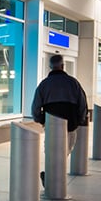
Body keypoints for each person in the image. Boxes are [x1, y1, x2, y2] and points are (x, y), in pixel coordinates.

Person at [32, 54, 89, 187]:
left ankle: (50, 175)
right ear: (63, 66)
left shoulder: (44, 84)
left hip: (51, 125)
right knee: (66, 150)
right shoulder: (73, 83)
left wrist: (41, 119)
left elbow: (35, 107)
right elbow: (83, 104)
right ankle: (52, 176)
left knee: (51, 151)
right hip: (70, 125)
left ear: (50, 67)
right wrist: (79, 121)